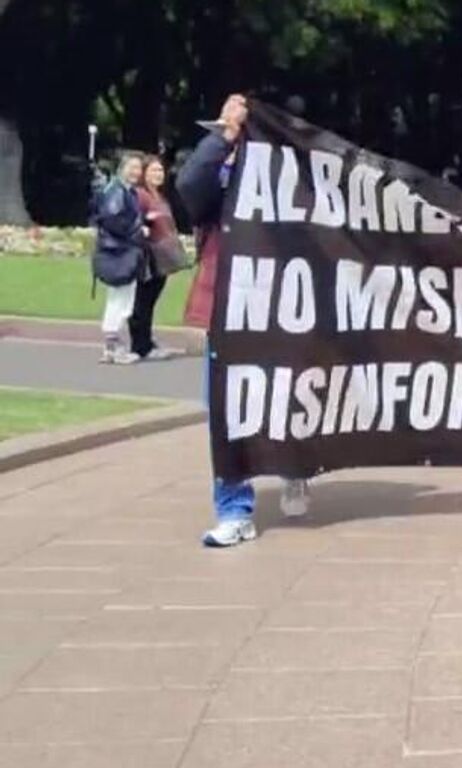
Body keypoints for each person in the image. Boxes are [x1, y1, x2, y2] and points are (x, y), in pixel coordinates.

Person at [179, 95, 311, 547]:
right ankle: (234, 511)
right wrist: (226, 134)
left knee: (289, 398)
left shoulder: (292, 183)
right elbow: (190, 183)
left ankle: (295, 466)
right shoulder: (217, 181)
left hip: (285, 309)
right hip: (228, 310)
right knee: (226, 413)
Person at [90, 153, 149, 365]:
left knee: (119, 298)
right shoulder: (117, 191)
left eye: (138, 168)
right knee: (121, 299)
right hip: (119, 252)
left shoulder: (124, 191)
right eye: (132, 167)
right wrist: (138, 230)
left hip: (119, 250)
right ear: (121, 168)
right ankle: (113, 345)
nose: (136, 172)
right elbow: (113, 220)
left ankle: (111, 346)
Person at [130, 155, 186, 361]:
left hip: (162, 256)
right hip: (148, 254)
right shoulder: (141, 195)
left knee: (151, 300)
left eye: (160, 170)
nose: (158, 174)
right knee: (143, 300)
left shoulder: (160, 197)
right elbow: (134, 221)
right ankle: (140, 345)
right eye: (153, 170)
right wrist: (146, 224)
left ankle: (146, 341)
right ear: (144, 174)